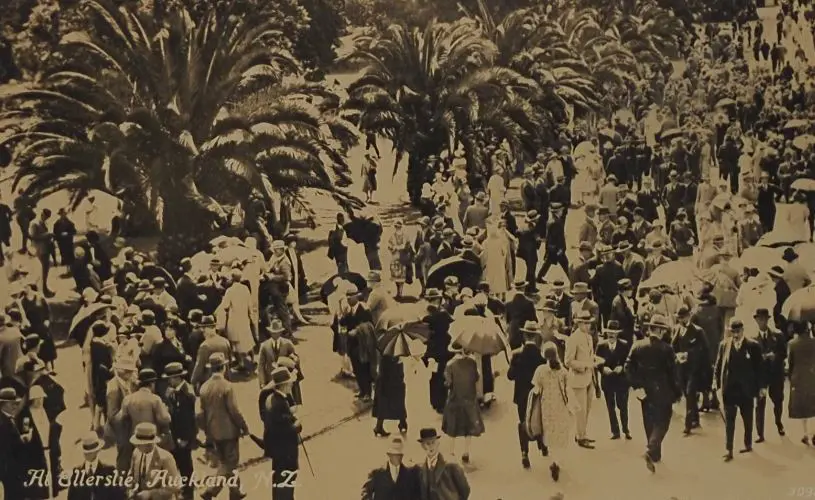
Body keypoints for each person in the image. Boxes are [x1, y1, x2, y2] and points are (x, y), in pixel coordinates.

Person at [625, 314, 681, 473]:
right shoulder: (667, 349)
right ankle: (651, 450)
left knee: (649, 422)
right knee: (662, 422)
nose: (663, 333)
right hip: (663, 391)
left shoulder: (637, 346)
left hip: (644, 392)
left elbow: (628, 368)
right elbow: (673, 374)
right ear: (657, 330)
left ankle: (655, 455)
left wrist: (636, 385)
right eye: (662, 330)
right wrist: (677, 392)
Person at [198, 352, 249, 500]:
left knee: (224, 461)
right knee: (229, 463)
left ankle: (235, 491)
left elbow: (200, 413)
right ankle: (210, 490)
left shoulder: (204, 388)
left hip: (212, 431)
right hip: (229, 431)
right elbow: (234, 410)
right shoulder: (227, 386)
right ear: (224, 367)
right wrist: (243, 426)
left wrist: (206, 429)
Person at [714, 318, 763, 462]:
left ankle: (747, 444)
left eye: (738, 331)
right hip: (729, 389)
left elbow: (760, 369)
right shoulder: (724, 345)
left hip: (746, 390)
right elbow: (718, 365)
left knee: (747, 419)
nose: (735, 335)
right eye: (733, 332)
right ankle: (728, 450)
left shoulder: (753, 346)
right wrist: (716, 384)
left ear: (743, 330)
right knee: (729, 421)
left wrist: (761, 387)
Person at [528, 342, 573, 482]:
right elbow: (568, 389)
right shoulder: (563, 372)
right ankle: (557, 461)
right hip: (560, 406)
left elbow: (535, 387)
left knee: (550, 434)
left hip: (546, 406)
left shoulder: (540, 370)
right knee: (560, 434)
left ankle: (553, 460)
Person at [507, 322, 547, 468]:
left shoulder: (517, 355)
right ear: (536, 337)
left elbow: (510, 376)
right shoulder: (541, 356)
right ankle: (542, 444)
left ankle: (524, 453)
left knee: (523, 421)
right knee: (539, 419)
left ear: (524, 336)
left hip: (521, 396)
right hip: (537, 394)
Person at [261, 367, 300, 500]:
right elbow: (285, 429)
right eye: (289, 383)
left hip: (278, 451)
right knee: (286, 482)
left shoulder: (272, 398)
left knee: (279, 481)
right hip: (285, 452)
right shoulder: (279, 403)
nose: (291, 385)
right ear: (283, 385)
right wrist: (297, 425)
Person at [18, 384, 62, 499]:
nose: (40, 401)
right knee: (40, 485)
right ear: (33, 400)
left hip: (49, 451)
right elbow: (25, 432)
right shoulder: (26, 415)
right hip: (36, 454)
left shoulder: (46, 412)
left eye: (41, 398)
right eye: (38, 399)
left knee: (51, 481)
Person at [442, 342, 484, 463]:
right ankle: (466, 452)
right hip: (469, 398)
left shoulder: (450, 365)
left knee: (452, 427)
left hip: (455, 399)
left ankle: (451, 451)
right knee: (468, 426)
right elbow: (476, 378)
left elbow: (448, 383)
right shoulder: (472, 363)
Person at [671, 306, 710, 436]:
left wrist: (688, 354)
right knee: (688, 395)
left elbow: (704, 350)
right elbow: (673, 346)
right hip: (681, 369)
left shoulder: (698, 331)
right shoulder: (677, 329)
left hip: (694, 369)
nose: (681, 320)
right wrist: (677, 355)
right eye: (679, 318)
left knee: (690, 392)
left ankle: (687, 426)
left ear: (689, 316)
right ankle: (695, 418)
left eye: (683, 317)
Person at [162, 362, 196, 500]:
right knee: (177, 467)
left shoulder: (187, 393)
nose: (169, 381)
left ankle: (189, 495)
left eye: (170, 379)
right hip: (175, 436)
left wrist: (186, 438)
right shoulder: (173, 392)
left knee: (186, 468)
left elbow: (188, 419)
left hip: (183, 437)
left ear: (177, 378)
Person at [564, 311, 598, 448]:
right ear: (578, 323)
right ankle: (580, 437)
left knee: (587, 408)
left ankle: (582, 433)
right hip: (578, 378)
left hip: (589, 377)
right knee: (580, 410)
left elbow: (590, 356)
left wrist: (593, 361)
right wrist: (584, 366)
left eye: (589, 322)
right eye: (585, 323)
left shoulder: (589, 338)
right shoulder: (573, 339)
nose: (588, 325)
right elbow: (568, 361)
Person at [753, 308, 787, 441]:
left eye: (765, 319)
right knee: (760, 404)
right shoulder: (753, 339)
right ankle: (760, 433)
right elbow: (750, 359)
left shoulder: (778, 335)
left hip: (775, 374)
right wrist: (761, 358)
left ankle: (779, 422)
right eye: (760, 319)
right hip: (761, 377)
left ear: (768, 320)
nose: (762, 322)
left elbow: (784, 353)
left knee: (778, 401)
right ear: (756, 320)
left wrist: (775, 356)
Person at [595, 321, 631, 440]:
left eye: (614, 333)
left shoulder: (624, 345)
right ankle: (615, 431)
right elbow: (596, 361)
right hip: (608, 381)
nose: (611, 335)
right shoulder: (601, 346)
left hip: (621, 381)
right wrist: (602, 368)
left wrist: (622, 367)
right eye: (609, 332)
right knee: (610, 407)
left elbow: (629, 362)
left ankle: (626, 429)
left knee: (623, 406)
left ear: (617, 334)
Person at [66, 432, 126, 500]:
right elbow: (71, 497)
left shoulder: (109, 471)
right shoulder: (77, 473)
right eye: (86, 452)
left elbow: (119, 496)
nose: (88, 454)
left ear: (97, 451)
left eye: (91, 452)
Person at [128, 422, 180, 499]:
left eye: (139, 444)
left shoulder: (166, 458)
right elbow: (131, 474)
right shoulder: (136, 453)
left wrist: (151, 494)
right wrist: (130, 489)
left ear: (149, 444)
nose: (136, 446)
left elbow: (175, 485)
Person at [417, 427, 470, 500]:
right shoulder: (421, 470)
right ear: (423, 446)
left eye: (433, 442)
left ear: (438, 443)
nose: (431, 446)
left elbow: (465, 489)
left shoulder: (450, 466)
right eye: (428, 443)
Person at [219, 269, 255, 371]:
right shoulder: (245, 289)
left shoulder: (230, 291)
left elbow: (225, 306)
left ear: (232, 278)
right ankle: (251, 359)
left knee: (235, 342)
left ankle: (241, 363)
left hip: (234, 320)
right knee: (247, 339)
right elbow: (249, 305)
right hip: (244, 318)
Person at [788, 323, 815, 444]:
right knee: (813, 405)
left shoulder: (792, 344)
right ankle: (814, 432)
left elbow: (790, 363)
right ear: (807, 329)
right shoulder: (814, 342)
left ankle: (805, 434)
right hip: (812, 376)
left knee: (803, 407)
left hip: (798, 378)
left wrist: (791, 377)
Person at [373, 352, 408, 437]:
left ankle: (401, 422)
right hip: (390, 382)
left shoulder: (386, 354)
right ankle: (380, 427)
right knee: (395, 402)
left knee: (387, 404)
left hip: (388, 382)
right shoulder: (388, 357)